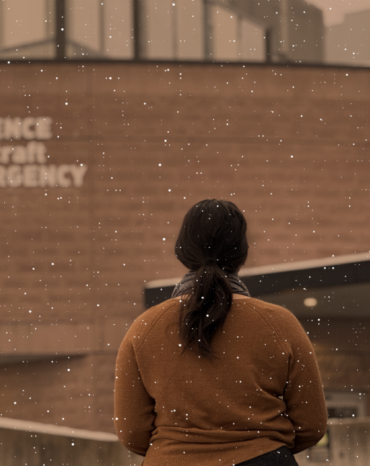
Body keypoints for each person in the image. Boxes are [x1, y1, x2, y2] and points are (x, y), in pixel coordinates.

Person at [114, 199, 327, 465]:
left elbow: (132, 431)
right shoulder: (279, 324)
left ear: (183, 251)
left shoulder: (145, 327)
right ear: (242, 253)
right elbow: (311, 424)